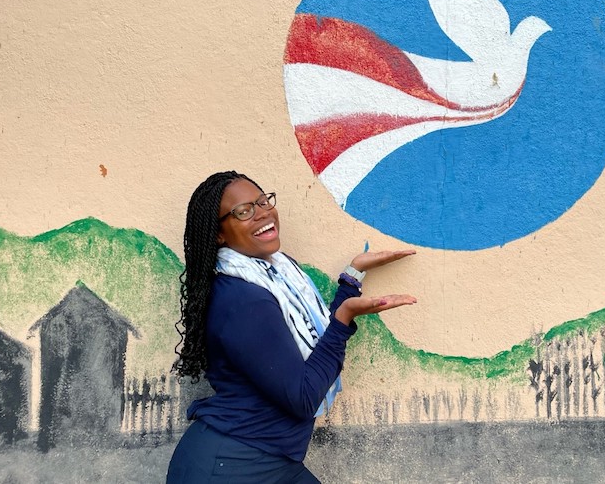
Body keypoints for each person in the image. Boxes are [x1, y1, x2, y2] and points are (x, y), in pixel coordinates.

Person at [166, 171, 417, 483]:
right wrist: (342, 320)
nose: (263, 214)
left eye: (262, 202)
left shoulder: (276, 276)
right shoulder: (244, 299)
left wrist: (353, 278)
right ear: (219, 233)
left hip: (272, 461)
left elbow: (307, 346)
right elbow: (303, 395)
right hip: (228, 466)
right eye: (244, 211)